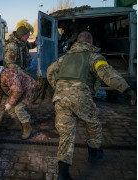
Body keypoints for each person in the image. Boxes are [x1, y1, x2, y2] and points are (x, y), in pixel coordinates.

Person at [47, 31, 136, 180]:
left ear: (77, 42)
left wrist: (58, 86)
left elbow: (50, 71)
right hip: (80, 97)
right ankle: (94, 153)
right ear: (90, 42)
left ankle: (63, 173)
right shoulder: (94, 57)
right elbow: (109, 75)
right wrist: (128, 91)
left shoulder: (64, 57)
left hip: (60, 98)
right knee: (93, 124)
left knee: (66, 134)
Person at [0, 66, 38, 139]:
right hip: (19, 91)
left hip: (28, 89)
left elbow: (18, 91)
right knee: (7, 107)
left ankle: (27, 127)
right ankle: (17, 122)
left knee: (18, 108)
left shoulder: (8, 75)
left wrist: (10, 104)